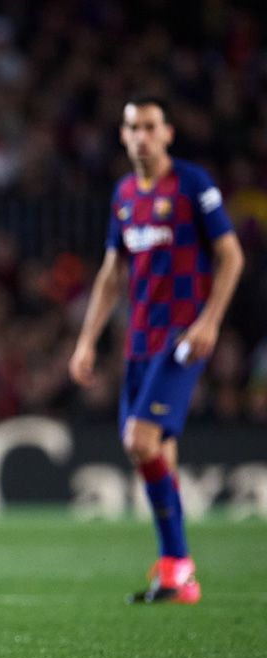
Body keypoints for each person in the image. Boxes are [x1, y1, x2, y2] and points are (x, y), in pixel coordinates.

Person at [69, 96, 243, 604]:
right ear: (123, 137)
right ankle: (177, 575)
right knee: (158, 451)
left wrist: (210, 321)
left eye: (149, 127)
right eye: (132, 128)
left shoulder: (193, 185)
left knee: (138, 441)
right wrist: (86, 341)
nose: (141, 136)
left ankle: (177, 562)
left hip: (182, 338)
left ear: (167, 133)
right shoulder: (124, 194)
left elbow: (231, 256)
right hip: (140, 341)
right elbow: (110, 274)